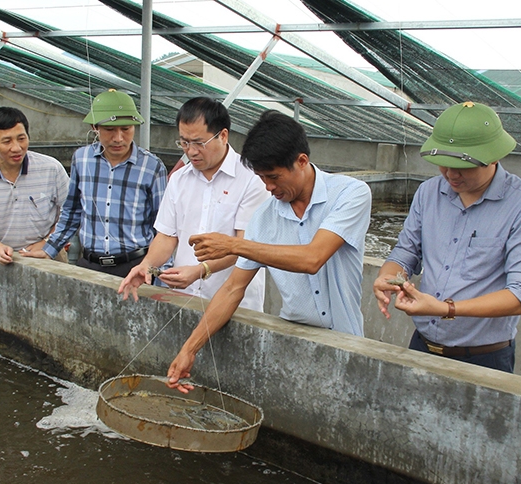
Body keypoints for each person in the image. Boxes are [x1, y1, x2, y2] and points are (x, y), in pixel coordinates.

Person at [165, 110, 372, 392]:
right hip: (292, 338)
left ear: (301, 161)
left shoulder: (350, 194)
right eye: (262, 178)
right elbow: (232, 289)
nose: (269, 187)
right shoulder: (264, 216)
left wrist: (233, 245)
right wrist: (190, 348)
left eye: (274, 177)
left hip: (346, 342)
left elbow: (313, 258)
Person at [373, 101, 521, 373]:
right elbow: (406, 252)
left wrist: (446, 309)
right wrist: (388, 276)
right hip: (422, 346)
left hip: (483, 359)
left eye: (463, 166)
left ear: (493, 157)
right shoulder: (429, 192)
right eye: (443, 165)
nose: (451, 174)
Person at [117, 97, 269, 310]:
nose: (191, 151)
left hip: (236, 304)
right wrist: (146, 266)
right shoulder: (179, 179)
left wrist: (200, 270)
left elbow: (245, 247)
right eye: (184, 142)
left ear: (223, 135)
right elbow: (167, 236)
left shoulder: (252, 179)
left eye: (199, 143)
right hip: (184, 298)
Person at [20, 89, 167, 277]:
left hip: (135, 265)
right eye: (110, 130)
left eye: (126, 129)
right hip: (90, 263)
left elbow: (163, 227)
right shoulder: (82, 159)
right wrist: (50, 248)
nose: (118, 138)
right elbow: (72, 211)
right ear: (94, 127)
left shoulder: (152, 167)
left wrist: (160, 270)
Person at [0, 107, 69, 265]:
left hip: (47, 255)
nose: (17, 148)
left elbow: (72, 212)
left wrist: (48, 242)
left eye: (21, 138)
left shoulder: (51, 168)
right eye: (7, 141)